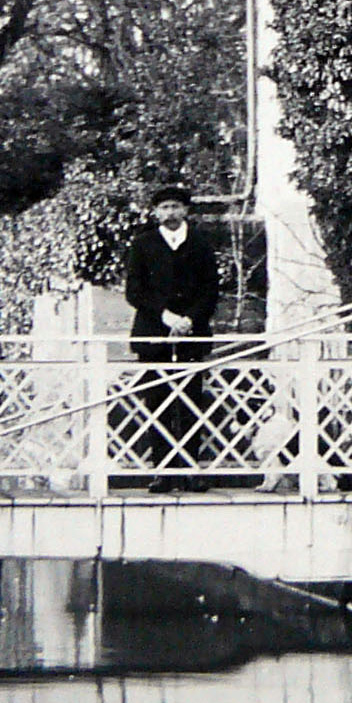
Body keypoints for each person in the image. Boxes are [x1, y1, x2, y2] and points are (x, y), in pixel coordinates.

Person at [122, 186, 220, 491]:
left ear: (186, 210)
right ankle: (163, 471)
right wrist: (166, 316)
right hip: (154, 333)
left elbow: (210, 289)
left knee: (191, 402)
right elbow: (134, 292)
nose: (170, 213)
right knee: (158, 402)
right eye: (164, 207)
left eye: (176, 207)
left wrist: (191, 319)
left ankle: (191, 469)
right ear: (155, 212)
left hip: (192, 334)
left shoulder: (201, 243)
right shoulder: (143, 244)